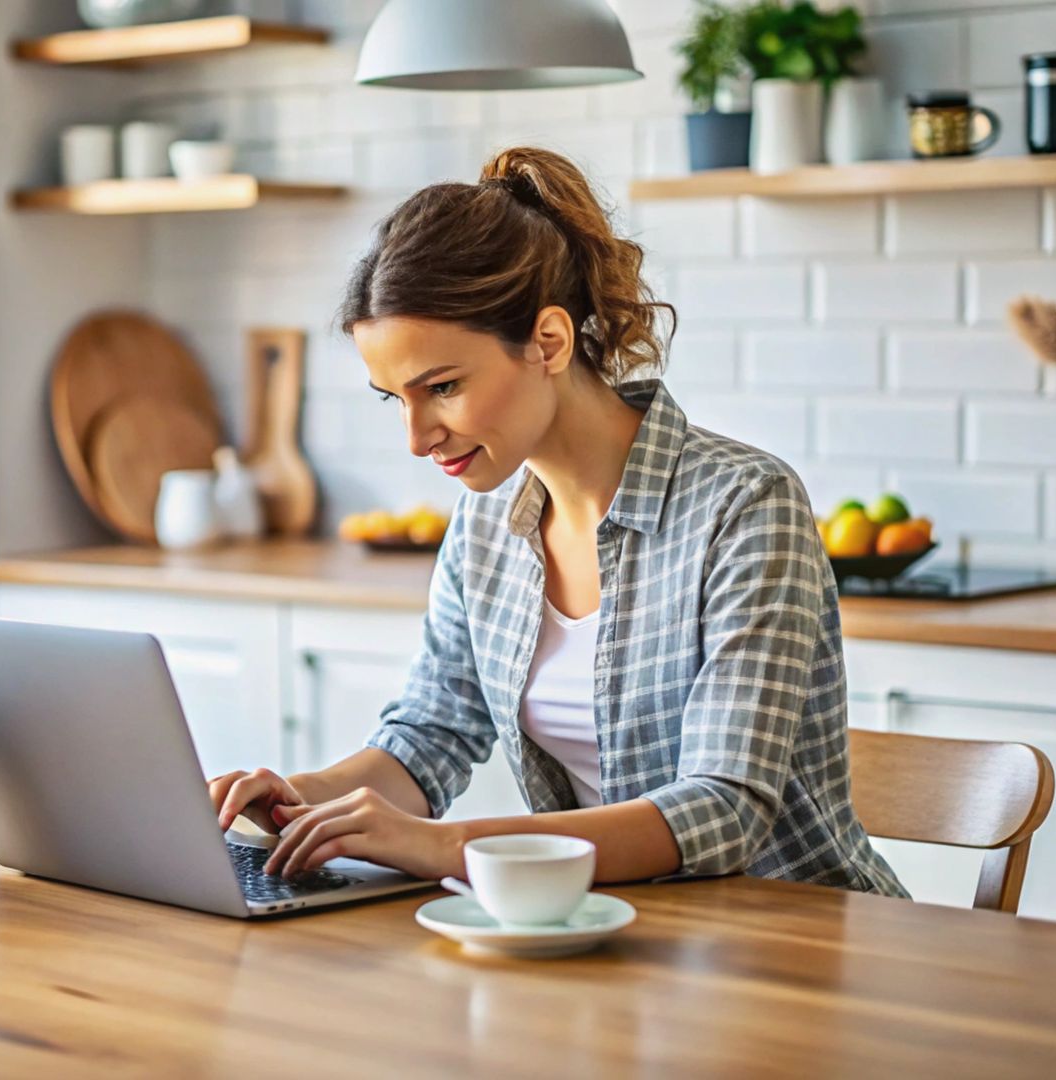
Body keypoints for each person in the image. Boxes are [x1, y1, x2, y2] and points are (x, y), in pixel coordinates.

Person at [207, 146, 906, 898]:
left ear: (549, 341)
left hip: (795, 949)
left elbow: (724, 809)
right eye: (394, 398)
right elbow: (431, 733)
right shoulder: (485, 521)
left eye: (442, 387)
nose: (416, 438)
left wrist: (448, 848)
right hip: (615, 941)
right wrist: (305, 799)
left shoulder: (743, 507)